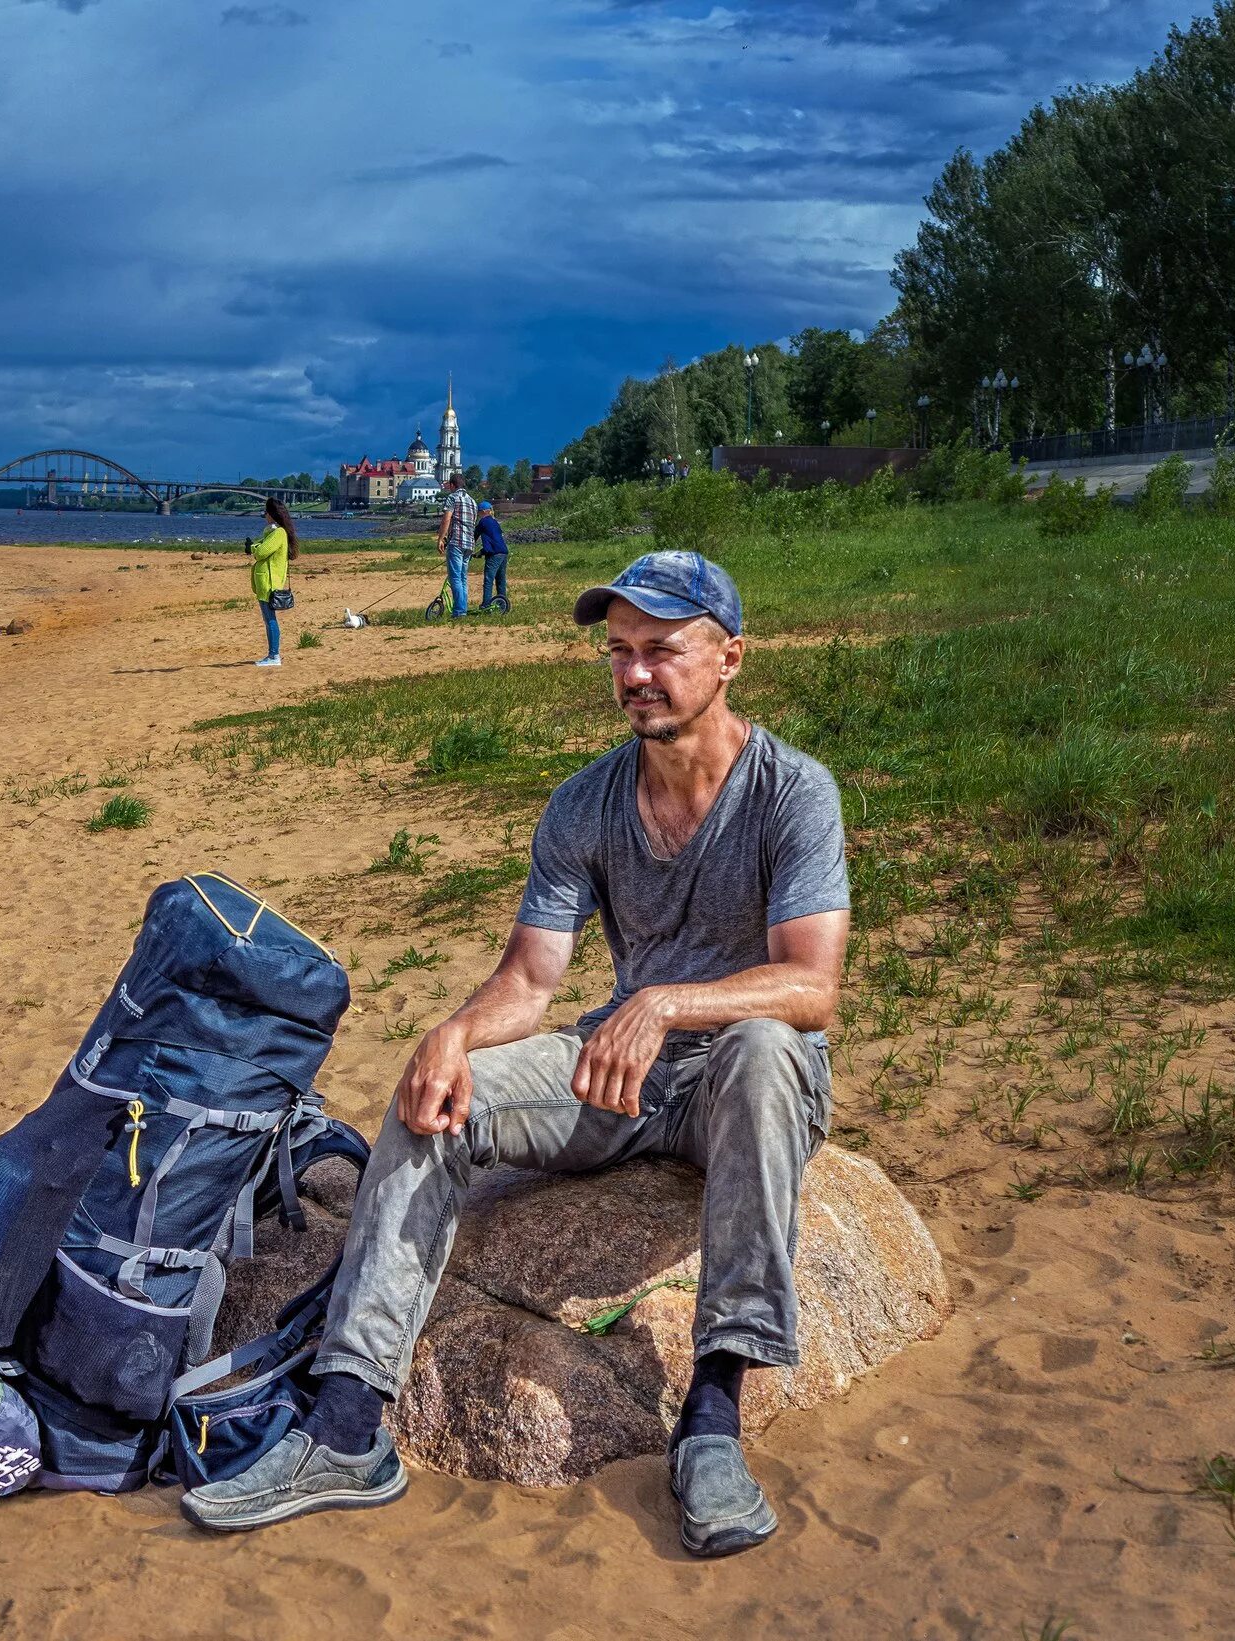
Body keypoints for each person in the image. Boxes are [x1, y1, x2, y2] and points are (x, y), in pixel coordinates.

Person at [182, 550, 849, 1560]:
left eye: (662, 650)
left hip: (738, 1078)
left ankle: (711, 1417)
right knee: (434, 1098)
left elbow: (812, 986)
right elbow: (531, 982)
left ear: (728, 659)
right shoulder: (584, 803)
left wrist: (665, 1001)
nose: (634, 675)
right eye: (618, 652)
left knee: (760, 1045)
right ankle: (347, 1426)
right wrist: (450, 1034)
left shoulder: (792, 793)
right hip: (620, 1077)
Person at [248, 496, 298, 667]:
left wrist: (253, 547)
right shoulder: (276, 532)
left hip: (269, 584)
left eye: (265, 512)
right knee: (268, 619)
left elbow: (261, 552)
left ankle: (274, 655)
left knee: (270, 620)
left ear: (271, 514)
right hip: (266, 583)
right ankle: (272, 655)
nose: (265, 516)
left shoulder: (278, 533)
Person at [435, 473, 479, 618]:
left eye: (449, 486)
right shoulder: (473, 501)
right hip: (469, 544)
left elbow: (446, 519)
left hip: (457, 543)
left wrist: (441, 538)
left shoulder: (453, 498)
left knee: (455, 577)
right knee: (463, 577)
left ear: (453, 485)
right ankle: (463, 609)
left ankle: (459, 612)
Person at [475, 499, 509, 612]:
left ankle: (486, 605)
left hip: (494, 554)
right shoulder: (495, 522)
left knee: (488, 580)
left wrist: (467, 550)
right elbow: (494, 540)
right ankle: (502, 605)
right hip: (503, 553)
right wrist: (481, 552)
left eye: (479, 512)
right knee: (501, 580)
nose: (478, 514)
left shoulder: (483, 522)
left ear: (484, 511)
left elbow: (474, 537)